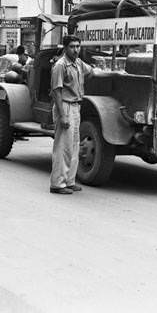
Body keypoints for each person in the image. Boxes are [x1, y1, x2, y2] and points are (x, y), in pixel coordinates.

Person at [49, 35, 99, 195]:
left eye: (78, 46)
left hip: (76, 106)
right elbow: (56, 92)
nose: (76, 49)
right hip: (65, 106)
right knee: (63, 146)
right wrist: (63, 115)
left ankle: (69, 181)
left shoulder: (78, 63)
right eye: (72, 46)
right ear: (65, 48)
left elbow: (91, 71)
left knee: (74, 146)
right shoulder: (60, 66)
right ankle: (57, 184)